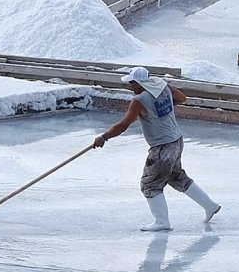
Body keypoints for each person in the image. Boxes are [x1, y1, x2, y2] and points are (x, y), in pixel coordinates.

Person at [93, 66, 219, 231]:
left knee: (150, 184)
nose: (131, 87)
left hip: (162, 147)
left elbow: (123, 125)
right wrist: (162, 108)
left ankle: (162, 222)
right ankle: (210, 206)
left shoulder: (139, 100)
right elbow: (182, 98)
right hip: (176, 141)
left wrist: (103, 137)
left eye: (132, 83)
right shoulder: (163, 87)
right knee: (177, 177)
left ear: (138, 83)